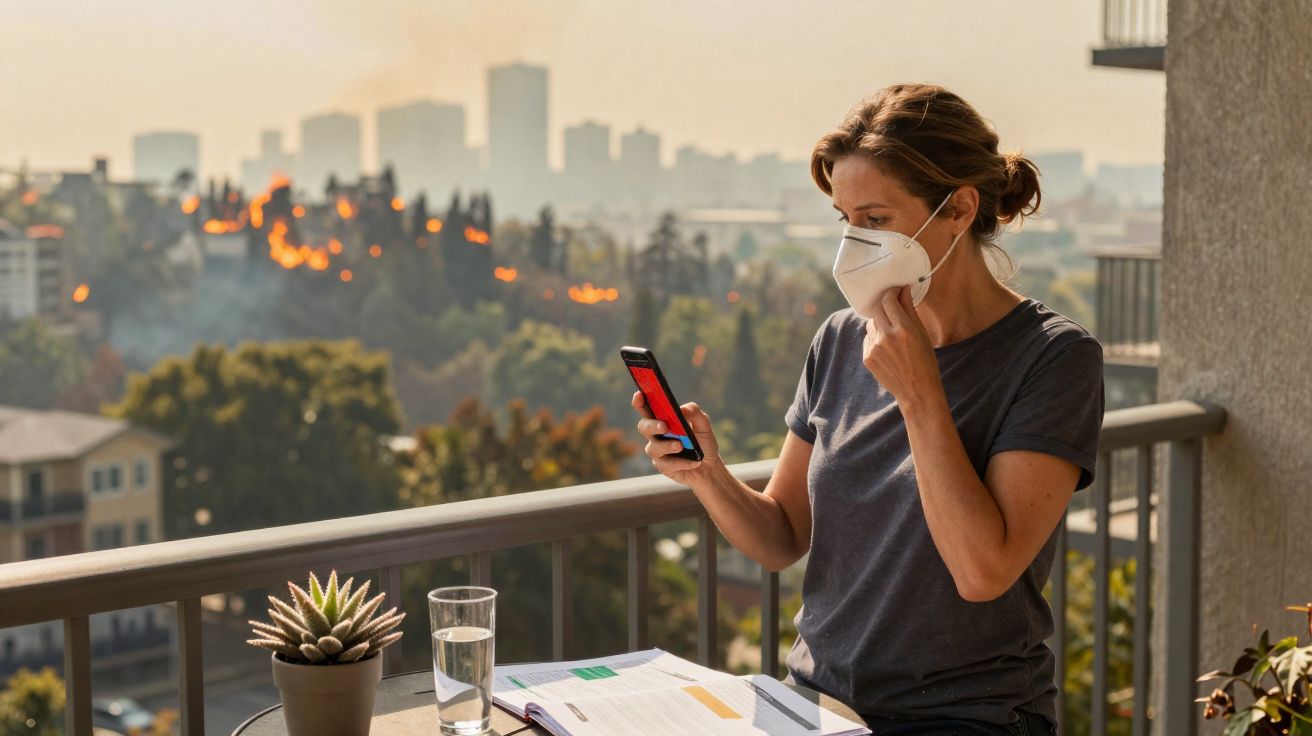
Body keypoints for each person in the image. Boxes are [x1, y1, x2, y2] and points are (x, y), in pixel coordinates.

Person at [631, 83, 1104, 735]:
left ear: (960, 208)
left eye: (876, 218)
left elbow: (983, 571)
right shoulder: (840, 338)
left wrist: (920, 394)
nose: (854, 241)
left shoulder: (1054, 359)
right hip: (819, 708)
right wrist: (707, 475)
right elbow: (780, 538)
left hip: (969, 717)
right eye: (845, 218)